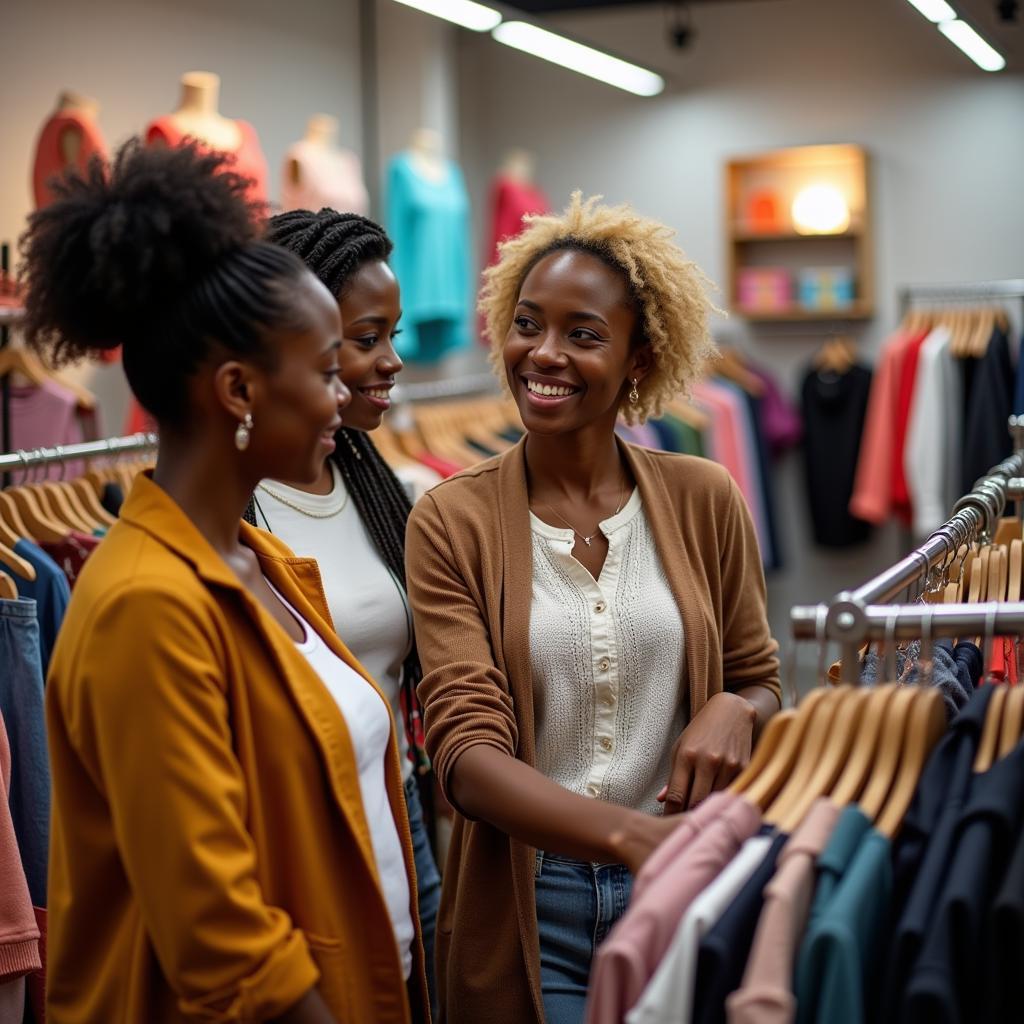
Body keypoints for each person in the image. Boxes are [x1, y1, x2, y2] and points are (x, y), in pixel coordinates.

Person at [22, 141, 428, 1023]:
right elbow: (221, 941)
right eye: (324, 371)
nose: (340, 399)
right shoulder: (147, 607)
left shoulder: (265, 564)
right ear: (239, 390)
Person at [405, 193, 781, 1024]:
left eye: (583, 334)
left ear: (640, 358)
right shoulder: (450, 518)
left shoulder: (703, 496)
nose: (544, 354)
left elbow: (760, 676)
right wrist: (630, 838)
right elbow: (464, 756)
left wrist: (733, 705)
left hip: (686, 885)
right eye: (528, 323)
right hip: (532, 904)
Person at [244, 208, 441, 1013]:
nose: (391, 361)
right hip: (302, 842)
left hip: (403, 817)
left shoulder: (377, 482)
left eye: (391, 335)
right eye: (365, 340)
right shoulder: (237, 506)